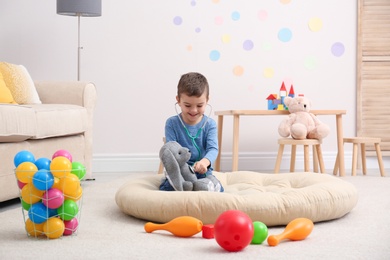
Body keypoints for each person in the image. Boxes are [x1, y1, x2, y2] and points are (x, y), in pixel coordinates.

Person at [159, 72, 223, 192]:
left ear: (207, 100)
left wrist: (204, 162)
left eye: (199, 105)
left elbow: (213, 149)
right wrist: (183, 170)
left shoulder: (210, 124)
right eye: (187, 105)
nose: (193, 110)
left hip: (203, 172)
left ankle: (200, 186)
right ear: (178, 100)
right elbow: (171, 151)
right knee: (167, 187)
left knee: (217, 187)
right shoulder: (172, 123)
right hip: (180, 172)